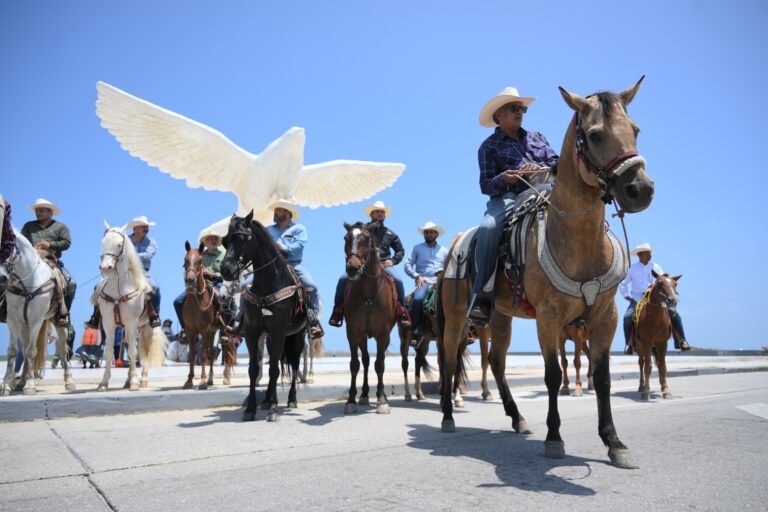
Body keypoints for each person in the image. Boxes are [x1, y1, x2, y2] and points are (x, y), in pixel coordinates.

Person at [468, 87, 560, 325]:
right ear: (498, 115)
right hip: (509, 197)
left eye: (522, 108)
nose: (520, 112)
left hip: (547, 191)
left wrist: (540, 169)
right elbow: (486, 185)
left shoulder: (537, 137)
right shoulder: (487, 147)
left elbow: (556, 163)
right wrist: (505, 178)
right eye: (513, 108)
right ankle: (483, 294)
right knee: (488, 227)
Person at [328, 200, 410, 328]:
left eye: (382, 212)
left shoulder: (391, 234)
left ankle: (402, 311)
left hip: (384, 265)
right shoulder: (361, 231)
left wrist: (392, 261)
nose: (379, 214)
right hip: (362, 265)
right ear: (371, 214)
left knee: (398, 280)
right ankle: (337, 311)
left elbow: (400, 251)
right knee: (342, 279)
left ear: (385, 215)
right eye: (377, 212)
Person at [263, 199, 324, 340]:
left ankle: (312, 321)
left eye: (278, 210)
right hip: (270, 266)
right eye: (275, 210)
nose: (275, 213)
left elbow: (298, 247)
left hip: (292, 264)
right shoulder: (269, 230)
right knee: (244, 286)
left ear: (287, 213)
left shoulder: (299, 229)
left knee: (311, 286)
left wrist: (281, 247)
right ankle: (241, 321)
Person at [86, 216, 161, 329]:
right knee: (98, 286)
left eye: (147, 227)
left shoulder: (151, 242)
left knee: (154, 287)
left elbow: (148, 256)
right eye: (143, 226)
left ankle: (154, 315)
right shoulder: (123, 239)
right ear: (135, 228)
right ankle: (95, 316)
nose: (146, 228)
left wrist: (130, 256)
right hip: (120, 272)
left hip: (141, 272)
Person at [619, 243, 691, 354]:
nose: (649, 255)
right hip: (637, 299)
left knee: (674, 314)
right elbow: (623, 283)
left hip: (656, 299)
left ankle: (681, 340)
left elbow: (663, 281)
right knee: (627, 317)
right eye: (646, 253)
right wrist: (627, 296)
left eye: (649, 253)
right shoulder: (632, 269)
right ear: (640, 255)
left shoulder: (656, 267)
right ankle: (629, 344)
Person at [20, 198, 76, 326]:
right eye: (36, 211)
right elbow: (22, 241)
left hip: (51, 261)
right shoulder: (28, 226)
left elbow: (67, 243)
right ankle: (5, 306)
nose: (37, 213)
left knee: (72, 283)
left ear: (50, 212)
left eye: (41, 211)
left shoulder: (61, 227)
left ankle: (63, 314)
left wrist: (49, 244)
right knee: (9, 277)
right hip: (31, 261)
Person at [173, 229, 229, 342]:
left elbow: (226, 273)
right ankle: (185, 329)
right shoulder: (199, 255)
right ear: (206, 242)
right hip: (198, 284)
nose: (213, 240)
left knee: (225, 301)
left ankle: (225, 330)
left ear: (217, 242)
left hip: (216, 283)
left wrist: (212, 274)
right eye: (210, 239)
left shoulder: (223, 255)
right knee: (177, 301)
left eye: (215, 239)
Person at [404, 221, 449, 342]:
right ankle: (415, 330)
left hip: (442, 281)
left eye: (431, 232)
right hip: (424, 280)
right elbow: (407, 264)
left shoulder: (444, 250)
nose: (429, 234)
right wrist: (417, 276)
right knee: (418, 299)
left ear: (436, 234)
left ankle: (466, 328)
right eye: (427, 232)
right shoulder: (417, 248)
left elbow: (450, 267)